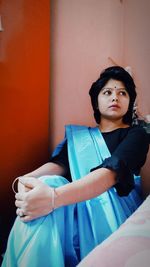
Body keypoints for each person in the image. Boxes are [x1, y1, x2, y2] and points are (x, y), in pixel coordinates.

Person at [2, 66, 149, 267]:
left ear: (129, 101)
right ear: (96, 103)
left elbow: (110, 175)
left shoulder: (137, 135)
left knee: (51, 192)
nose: (115, 97)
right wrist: (25, 180)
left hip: (113, 217)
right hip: (75, 212)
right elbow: (58, 166)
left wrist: (53, 198)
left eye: (122, 93)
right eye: (107, 92)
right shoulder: (79, 138)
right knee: (48, 181)